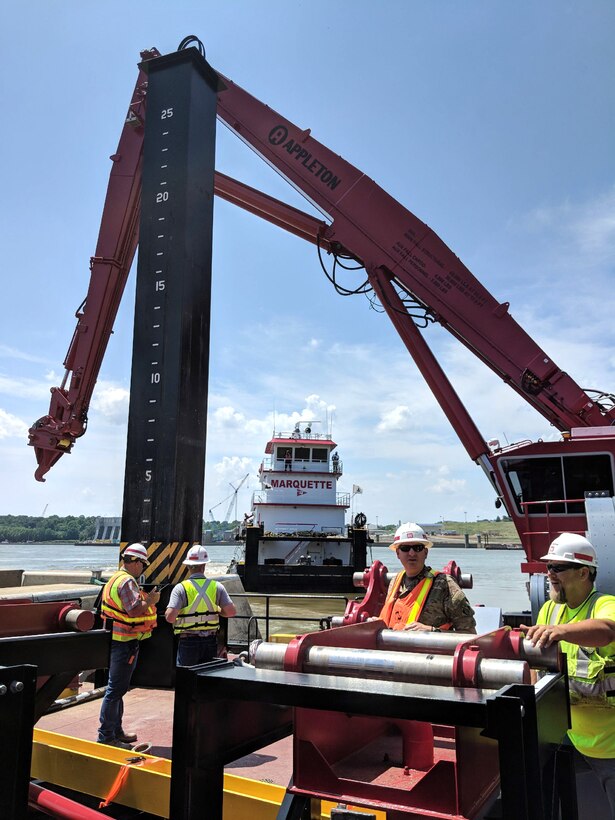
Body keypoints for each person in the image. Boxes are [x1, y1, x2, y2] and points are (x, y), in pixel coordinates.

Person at [522, 533, 615, 815]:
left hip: (610, 746)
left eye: (557, 568)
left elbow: (608, 629)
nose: (549, 574)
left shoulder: (603, 604)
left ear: (584, 572)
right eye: (548, 567)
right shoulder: (550, 610)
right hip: (569, 738)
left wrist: (562, 632)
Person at [98, 543, 160, 748]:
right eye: (142, 563)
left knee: (118, 689)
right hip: (124, 642)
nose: (143, 568)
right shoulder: (126, 582)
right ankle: (106, 736)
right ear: (135, 562)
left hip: (118, 640)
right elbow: (134, 611)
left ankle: (116, 730)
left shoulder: (115, 579)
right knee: (115, 690)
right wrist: (151, 600)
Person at [378, 522, 476, 632]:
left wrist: (432, 631)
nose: (411, 553)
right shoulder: (394, 583)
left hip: (429, 649)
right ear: (397, 553)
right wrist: (376, 624)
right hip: (391, 648)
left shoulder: (445, 585)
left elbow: (470, 634)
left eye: (418, 548)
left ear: (425, 552)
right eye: (405, 548)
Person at [165, 545, 237, 666]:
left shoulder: (180, 588)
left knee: (186, 679)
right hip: (210, 641)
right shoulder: (217, 587)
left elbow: (170, 617)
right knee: (206, 679)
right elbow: (231, 612)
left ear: (188, 566)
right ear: (204, 566)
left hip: (188, 641)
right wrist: (217, 611)